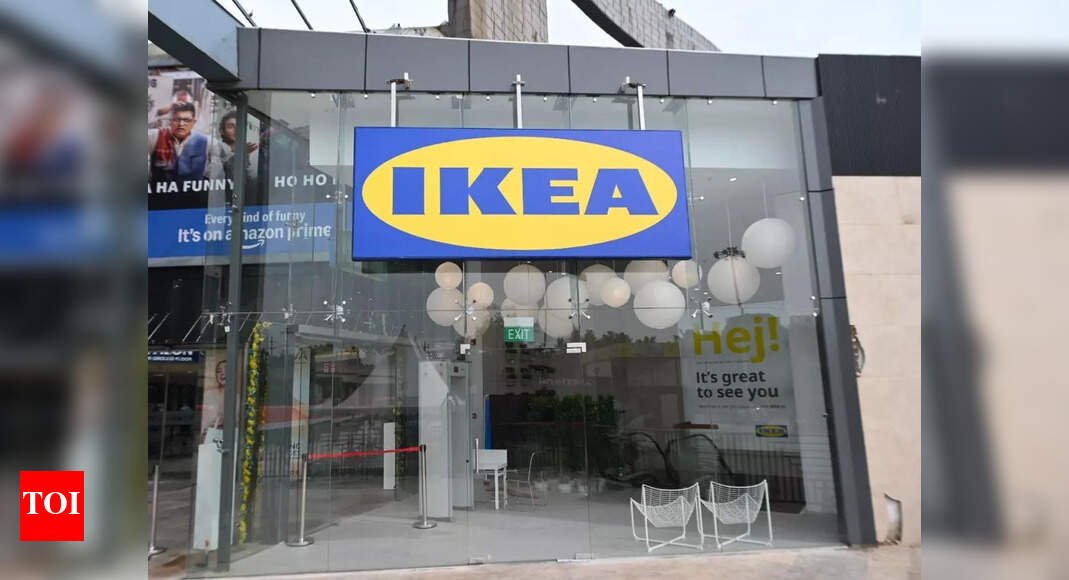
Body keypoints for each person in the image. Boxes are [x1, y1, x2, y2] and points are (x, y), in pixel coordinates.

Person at [148, 101, 209, 184]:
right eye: (177, 119)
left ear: (193, 122)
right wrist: (159, 112)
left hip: (191, 191)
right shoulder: (156, 136)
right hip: (160, 191)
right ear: (170, 121)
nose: (181, 124)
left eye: (186, 120)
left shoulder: (205, 141)